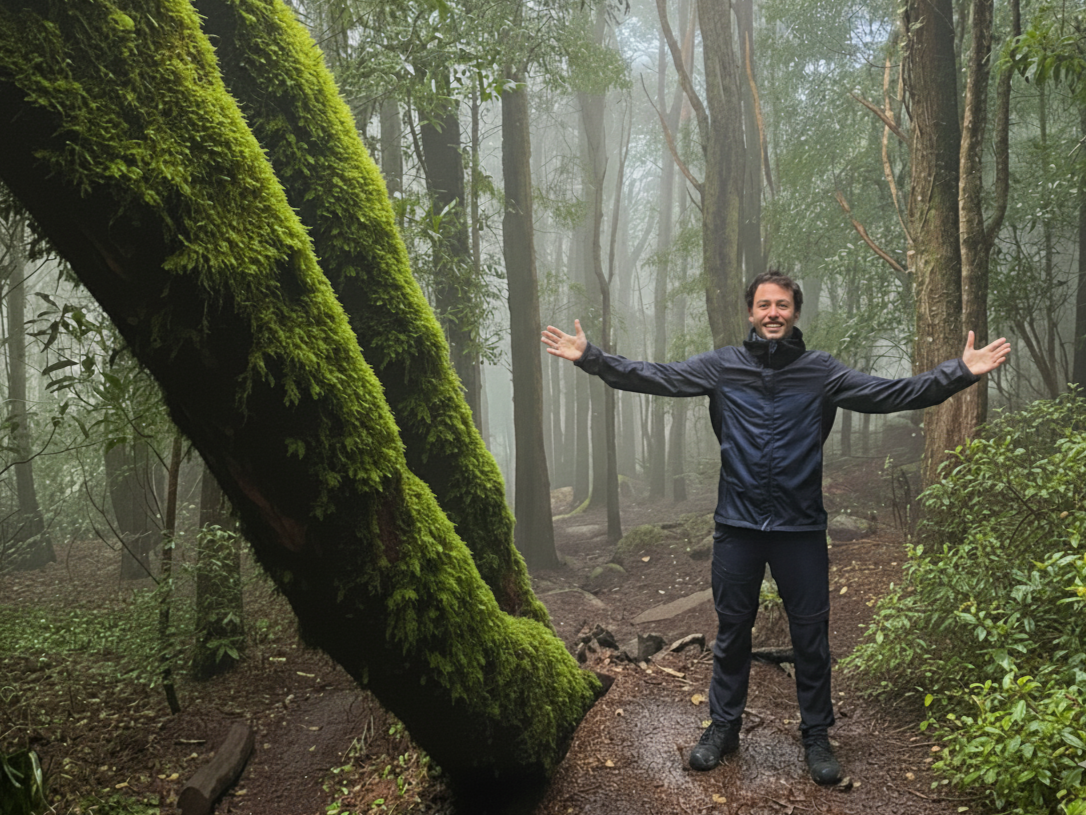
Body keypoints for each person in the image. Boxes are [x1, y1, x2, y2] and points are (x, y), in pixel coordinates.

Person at [541, 270, 1010, 784]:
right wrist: (591, 357)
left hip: (800, 529)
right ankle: (723, 727)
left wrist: (960, 372)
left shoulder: (820, 372)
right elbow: (655, 377)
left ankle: (816, 735)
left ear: (795, 313)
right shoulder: (724, 366)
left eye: (782, 305)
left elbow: (891, 394)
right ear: (750, 313)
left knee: (811, 636)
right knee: (732, 632)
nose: (772, 313)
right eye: (764, 305)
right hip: (737, 526)